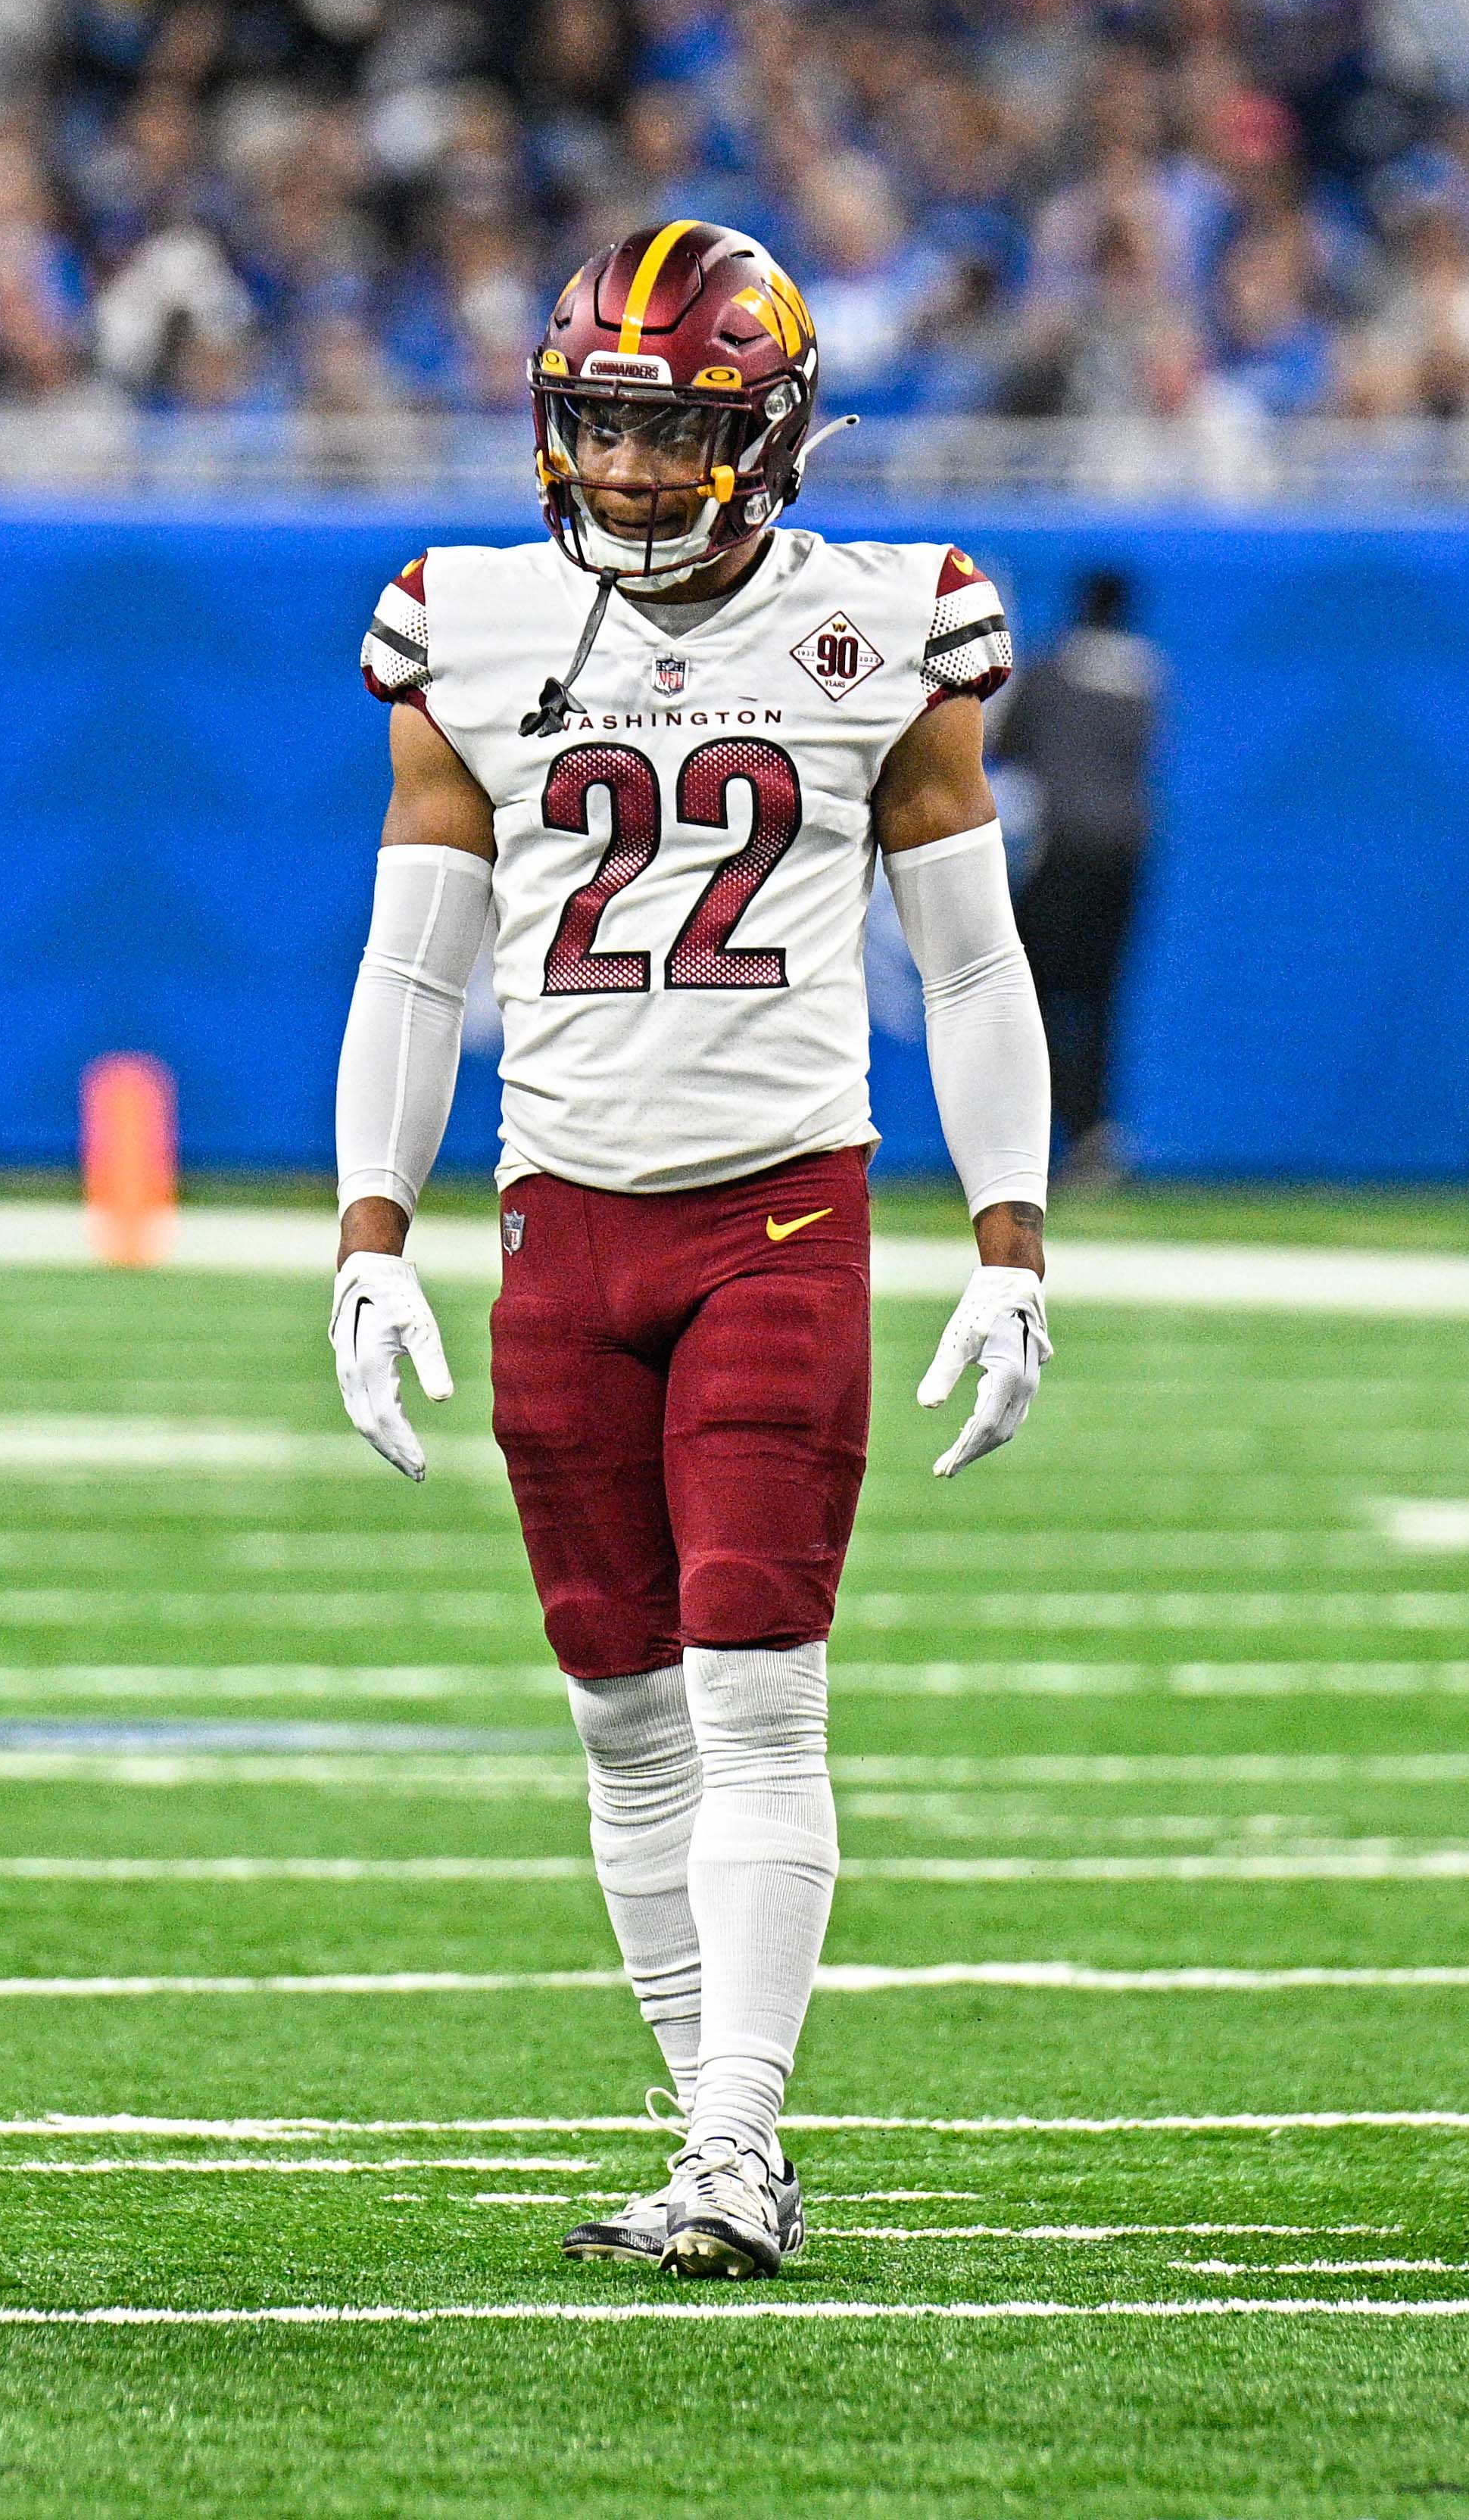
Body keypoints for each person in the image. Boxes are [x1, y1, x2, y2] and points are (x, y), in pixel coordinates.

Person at [330, 220, 1052, 2282]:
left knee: (757, 1692)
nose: (634, 473)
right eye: (606, 426)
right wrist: (372, 1231)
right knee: (618, 1715)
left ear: (776, 435)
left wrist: (1008, 1242)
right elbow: (419, 952)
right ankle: (704, 2131)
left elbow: (976, 957)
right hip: (560, 1227)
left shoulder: (890, 624)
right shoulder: (461, 620)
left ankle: (738, 2146)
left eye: (676, 431)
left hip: (780, 1221)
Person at [986, 566, 1159, 1182]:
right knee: (1100, 995)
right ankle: (1095, 1133)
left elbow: (1005, 746)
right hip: (1128, 849)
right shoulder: (1146, 678)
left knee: (1030, 992)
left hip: (1060, 847)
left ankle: (1024, 1132)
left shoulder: (1053, 671)